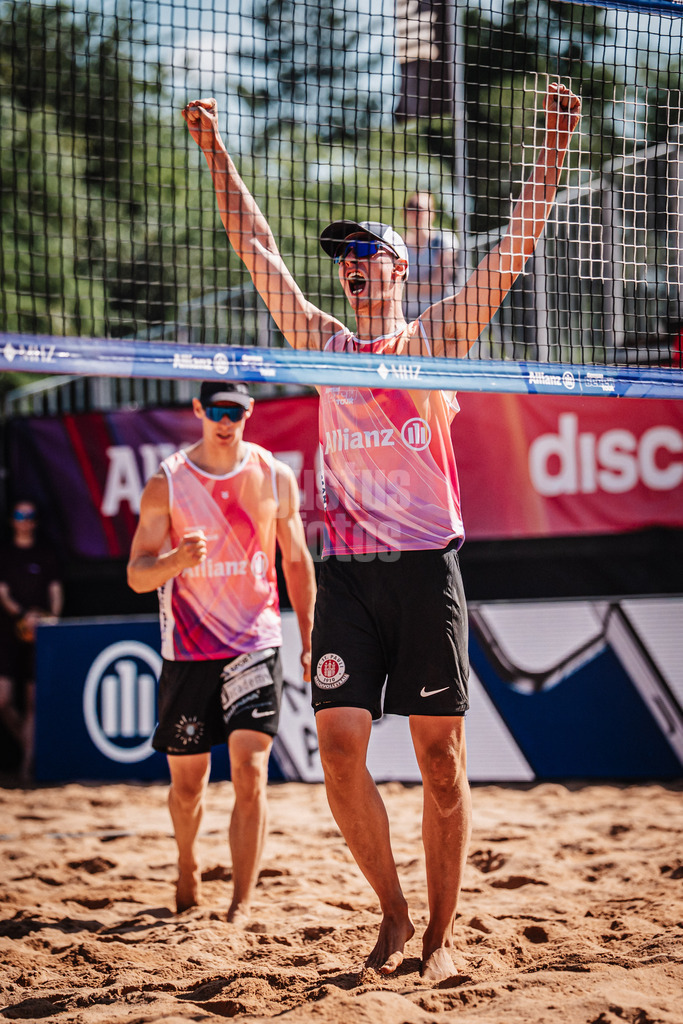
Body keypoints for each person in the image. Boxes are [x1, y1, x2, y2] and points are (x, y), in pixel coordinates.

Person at [182, 83, 581, 978]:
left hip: (425, 568)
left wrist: (550, 147)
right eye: (346, 258)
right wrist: (216, 151)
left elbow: (511, 250)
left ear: (400, 269)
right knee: (336, 750)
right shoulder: (323, 345)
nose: (352, 264)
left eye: (369, 254)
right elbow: (256, 250)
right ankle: (395, 917)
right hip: (351, 572)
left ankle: (441, 936)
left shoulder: (434, 339)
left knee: (440, 762)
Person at [127, 381, 316, 921]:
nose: (225, 420)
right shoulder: (167, 482)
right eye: (215, 410)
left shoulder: (274, 476)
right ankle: (187, 863)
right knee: (188, 785)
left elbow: (297, 563)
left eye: (235, 410)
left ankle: (242, 900)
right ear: (198, 411)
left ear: (250, 413)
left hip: (255, 639)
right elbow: (137, 575)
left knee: (251, 771)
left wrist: (308, 639)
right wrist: (175, 561)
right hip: (188, 647)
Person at [0, 499, 63, 781]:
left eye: (29, 515)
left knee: (34, 702)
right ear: (12, 520)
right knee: (3, 701)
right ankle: (28, 748)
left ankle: (28, 767)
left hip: (40, 635)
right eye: (19, 514)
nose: (24, 519)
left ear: (36, 521)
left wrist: (48, 620)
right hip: (9, 632)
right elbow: (2, 594)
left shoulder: (45, 553)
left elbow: (56, 593)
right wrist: (24, 616)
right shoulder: (5, 553)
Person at [403, 190, 465, 321]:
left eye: (420, 208)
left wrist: (406, 285)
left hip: (441, 317)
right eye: (411, 207)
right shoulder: (399, 245)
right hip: (409, 320)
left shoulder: (445, 239)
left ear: (432, 214)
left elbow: (439, 282)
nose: (416, 213)